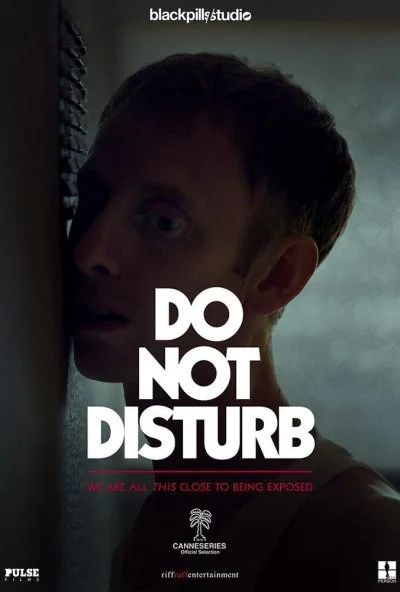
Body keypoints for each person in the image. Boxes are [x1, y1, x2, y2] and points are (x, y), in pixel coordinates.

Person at [68, 53, 400, 591]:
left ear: (276, 276)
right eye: (93, 200)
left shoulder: (361, 536)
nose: (89, 250)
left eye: (162, 222)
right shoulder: (161, 523)